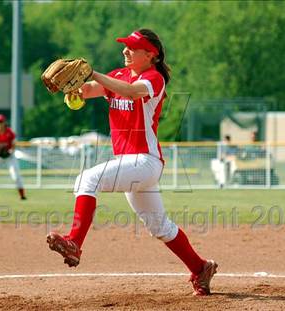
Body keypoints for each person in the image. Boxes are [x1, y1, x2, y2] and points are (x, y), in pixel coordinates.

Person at [46, 29, 218, 296]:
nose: (125, 51)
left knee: (88, 179)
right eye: (125, 47)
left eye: (132, 48)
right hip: (129, 164)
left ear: (151, 55)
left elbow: (129, 91)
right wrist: (72, 89)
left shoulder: (154, 79)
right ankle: (200, 268)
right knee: (160, 226)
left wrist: (92, 74)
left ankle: (74, 243)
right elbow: (88, 90)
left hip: (146, 162)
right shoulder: (117, 75)